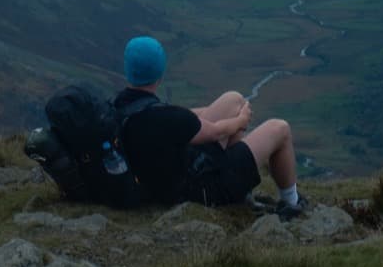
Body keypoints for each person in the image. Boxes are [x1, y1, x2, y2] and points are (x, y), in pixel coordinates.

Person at [113, 35, 308, 216]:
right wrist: (242, 119)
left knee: (233, 99)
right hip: (204, 189)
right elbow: (216, 132)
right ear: (159, 73)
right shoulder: (166, 118)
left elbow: (178, 117)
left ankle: (243, 193)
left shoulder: (120, 106)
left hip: (175, 178)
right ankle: (292, 202)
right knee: (279, 128)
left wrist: (230, 111)